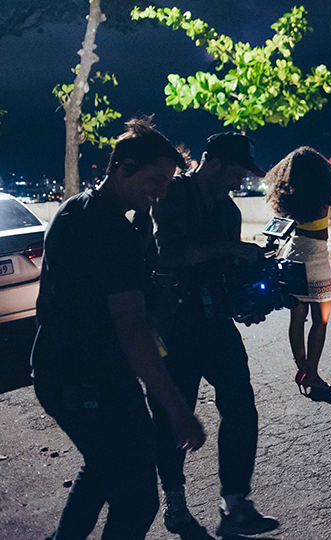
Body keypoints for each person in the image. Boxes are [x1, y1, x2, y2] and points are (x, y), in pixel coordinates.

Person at [31, 117, 205, 540]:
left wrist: (142, 223)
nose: (163, 192)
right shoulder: (110, 232)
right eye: (155, 180)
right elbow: (132, 327)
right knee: (137, 499)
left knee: (100, 474)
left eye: (167, 183)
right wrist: (178, 408)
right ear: (123, 169)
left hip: (68, 375)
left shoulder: (78, 208)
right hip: (87, 383)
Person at [149, 132, 279, 537]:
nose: (241, 182)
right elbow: (168, 255)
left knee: (241, 406)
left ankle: (235, 502)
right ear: (216, 163)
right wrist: (230, 249)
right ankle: (175, 499)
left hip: (215, 321)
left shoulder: (229, 211)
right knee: (174, 415)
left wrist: (249, 300)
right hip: (174, 323)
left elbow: (225, 269)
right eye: (238, 172)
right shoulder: (171, 194)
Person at [265, 147, 331, 395]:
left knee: (297, 319)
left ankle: (301, 368)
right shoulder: (325, 192)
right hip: (316, 256)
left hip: (293, 253)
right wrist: (329, 173)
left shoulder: (290, 194)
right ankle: (312, 374)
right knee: (320, 320)